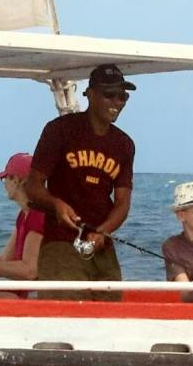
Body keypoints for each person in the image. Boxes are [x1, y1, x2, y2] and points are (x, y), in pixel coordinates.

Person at [24, 64, 136, 300]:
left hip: (102, 245)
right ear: (90, 94)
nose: (117, 101)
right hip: (61, 242)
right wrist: (57, 204)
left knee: (112, 315)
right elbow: (32, 186)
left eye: (122, 95)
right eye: (109, 94)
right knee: (67, 313)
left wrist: (103, 232)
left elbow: (123, 202)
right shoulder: (59, 130)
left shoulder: (124, 144)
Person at [0, 152, 45, 280]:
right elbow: (5, 258)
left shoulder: (38, 215)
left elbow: (29, 270)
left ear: (16, 180)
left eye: (5, 178)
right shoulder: (24, 215)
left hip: (38, 295)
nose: (4, 184)